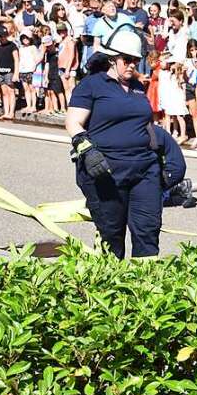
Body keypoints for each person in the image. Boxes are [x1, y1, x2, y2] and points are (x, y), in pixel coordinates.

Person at [64, 25, 162, 258]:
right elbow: (73, 122)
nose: (131, 65)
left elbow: (147, 126)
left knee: (148, 230)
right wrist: (86, 150)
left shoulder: (138, 87)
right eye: (126, 60)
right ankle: (111, 286)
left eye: (135, 61)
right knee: (112, 234)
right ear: (112, 59)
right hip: (106, 170)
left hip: (144, 169)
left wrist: (168, 164)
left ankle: (145, 287)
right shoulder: (91, 85)